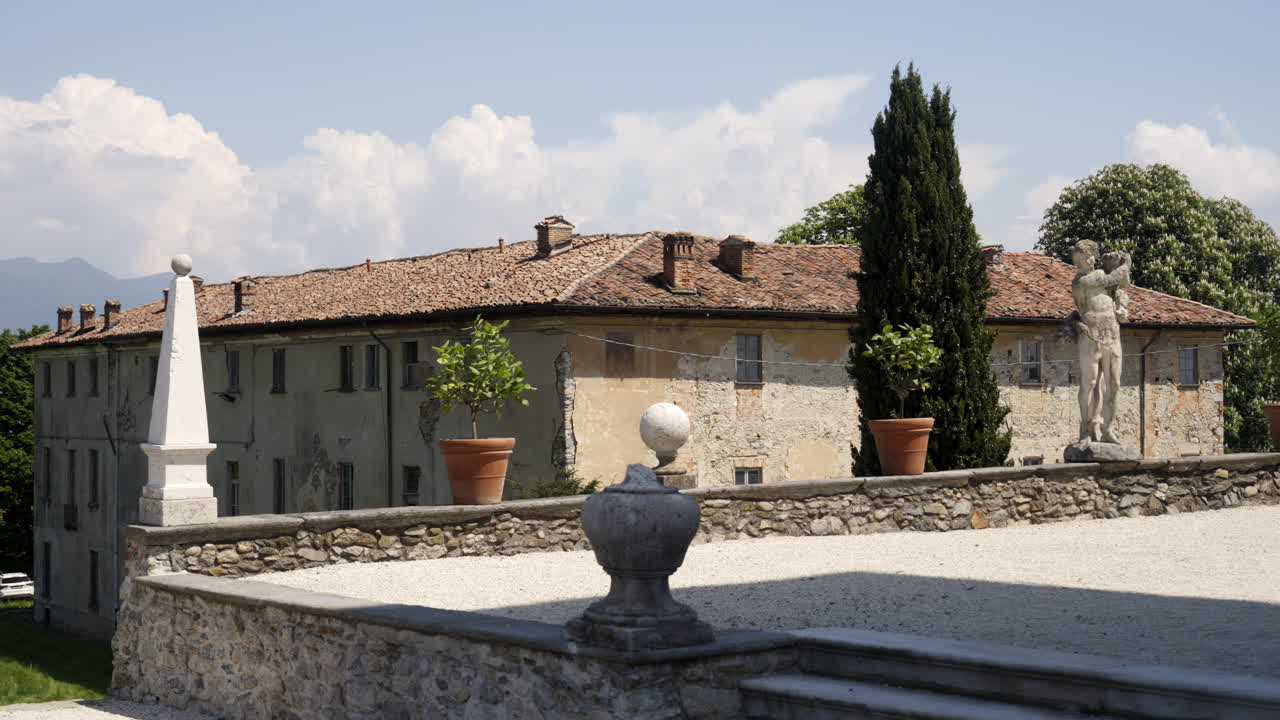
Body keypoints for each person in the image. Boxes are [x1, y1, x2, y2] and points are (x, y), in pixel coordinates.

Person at [1071, 240, 1130, 444]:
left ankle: (1109, 428)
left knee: (1114, 383)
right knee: (1091, 382)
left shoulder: (1099, 275)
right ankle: (1086, 428)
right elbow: (1116, 277)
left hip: (1112, 333)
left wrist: (1122, 309)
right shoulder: (1080, 281)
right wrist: (1124, 263)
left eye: (1092, 256)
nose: (1091, 260)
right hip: (1091, 334)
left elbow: (1123, 284)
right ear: (1077, 260)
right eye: (1085, 257)